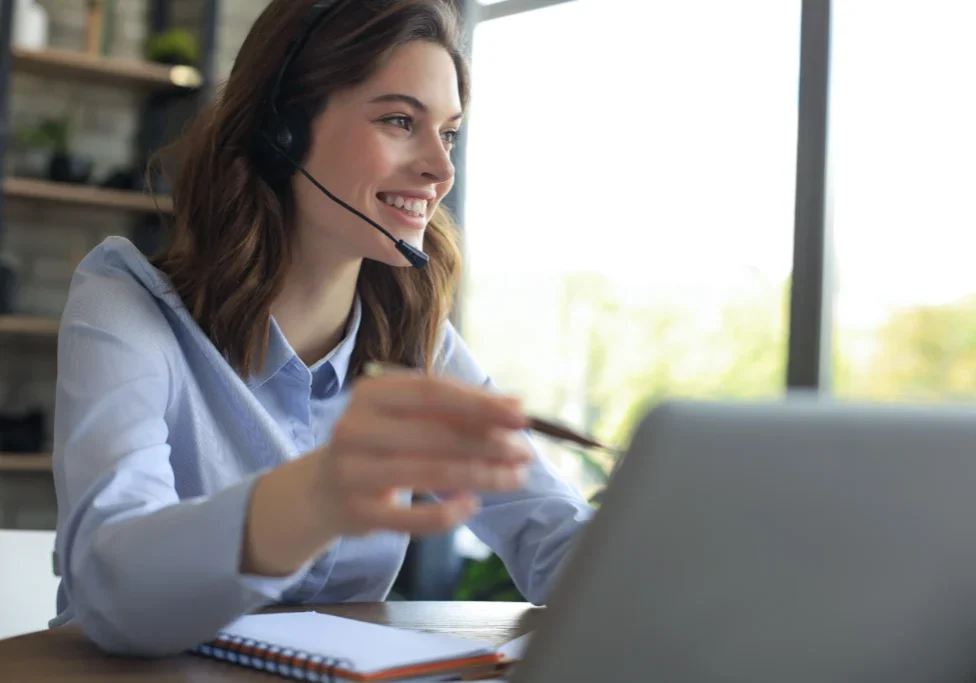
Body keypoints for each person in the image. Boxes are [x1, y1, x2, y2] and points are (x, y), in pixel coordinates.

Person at [49, 0, 594, 657]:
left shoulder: (414, 336)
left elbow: (552, 533)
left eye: (447, 133)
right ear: (283, 130)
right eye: (399, 120)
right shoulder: (126, 304)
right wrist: (315, 494)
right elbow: (114, 588)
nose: (440, 170)